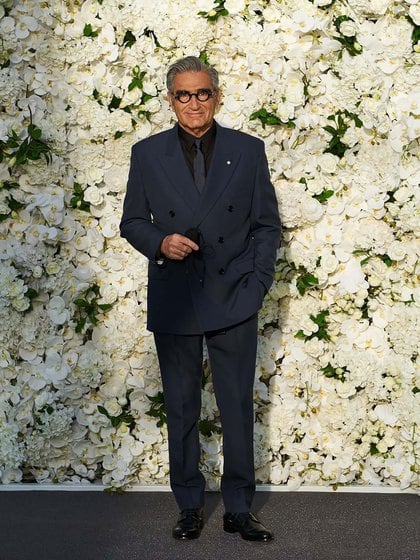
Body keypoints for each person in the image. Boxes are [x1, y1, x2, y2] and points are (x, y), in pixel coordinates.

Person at [120, 56, 281, 541]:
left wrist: (256, 286)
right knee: (183, 406)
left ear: (217, 96)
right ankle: (189, 505)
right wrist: (160, 243)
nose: (194, 103)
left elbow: (266, 225)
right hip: (176, 292)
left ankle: (238, 508)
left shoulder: (248, 150)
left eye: (203, 93)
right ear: (170, 100)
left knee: (236, 405)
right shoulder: (146, 153)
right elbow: (132, 222)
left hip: (235, 294)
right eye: (184, 95)